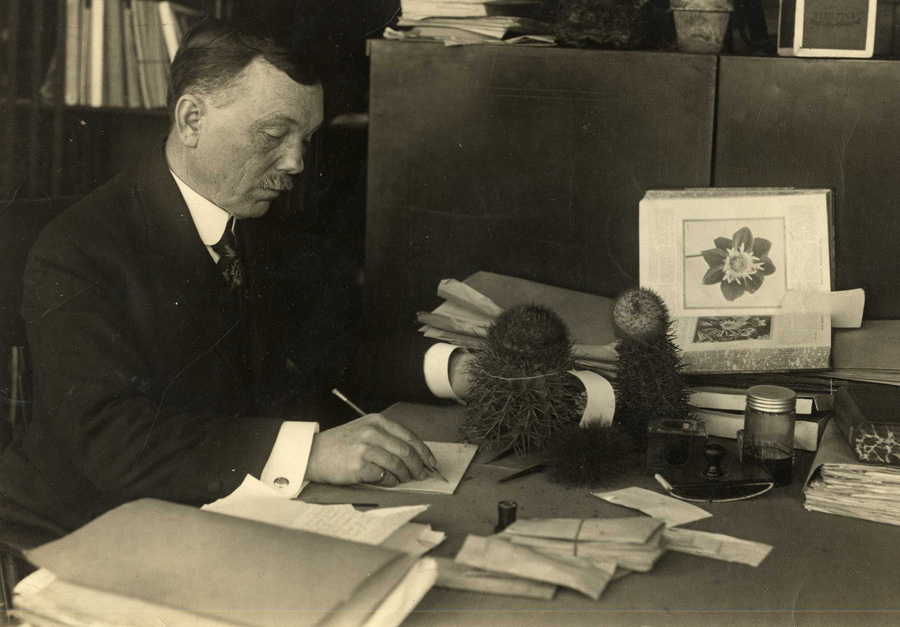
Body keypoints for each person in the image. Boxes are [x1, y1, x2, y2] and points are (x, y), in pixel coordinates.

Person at [0, 20, 439, 538]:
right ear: (191, 119)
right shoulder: (79, 248)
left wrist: (454, 369)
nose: (296, 162)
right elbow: (112, 444)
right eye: (274, 135)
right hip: (94, 526)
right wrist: (310, 453)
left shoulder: (265, 224)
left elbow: (336, 346)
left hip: (228, 509)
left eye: (306, 139)